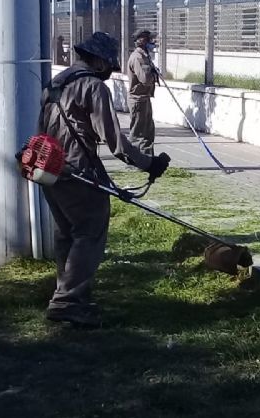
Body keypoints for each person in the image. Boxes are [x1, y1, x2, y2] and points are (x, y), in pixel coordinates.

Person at [37, 31, 170, 327]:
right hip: (78, 171)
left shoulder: (56, 83)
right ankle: (67, 301)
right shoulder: (93, 87)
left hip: (49, 168)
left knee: (67, 233)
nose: (110, 70)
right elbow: (115, 142)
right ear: (98, 60)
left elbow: (41, 130)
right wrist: (149, 163)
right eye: (109, 64)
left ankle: (70, 295)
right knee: (89, 231)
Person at [126, 29, 159, 156]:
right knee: (138, 134)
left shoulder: (145, 56)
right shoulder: (138, 58)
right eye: (148, 40)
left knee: (148, 133)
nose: (152, 42)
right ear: (142, 41)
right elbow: (145, 79)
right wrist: (153, 74)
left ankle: (147, 159)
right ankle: (135, 160)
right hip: (138, 100)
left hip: (144, 98)